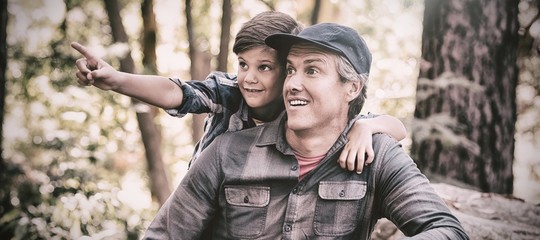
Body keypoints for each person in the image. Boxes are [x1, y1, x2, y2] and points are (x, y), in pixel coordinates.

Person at [143, 23, 469, 239]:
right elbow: (164, 235)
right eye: (290, 70)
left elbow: (446, 229)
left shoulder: (378, 156)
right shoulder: (227, 152)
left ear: (352, 87)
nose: (293, 84)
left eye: (312, 70)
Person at [72, 11, 407, 174]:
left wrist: (365, 127)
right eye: (243, 64)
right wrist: (116, 80)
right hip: (206, 205)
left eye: (265, 67)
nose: (248, 78)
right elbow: (178, 93)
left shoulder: (306, 112)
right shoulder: (229, 93)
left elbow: (396, 126)